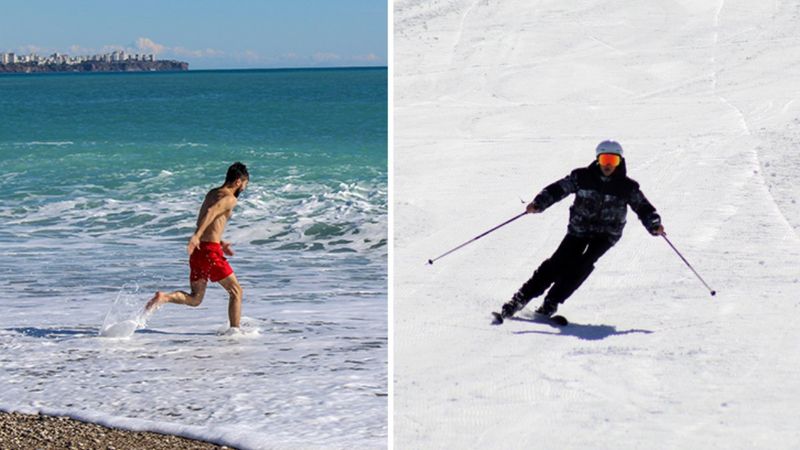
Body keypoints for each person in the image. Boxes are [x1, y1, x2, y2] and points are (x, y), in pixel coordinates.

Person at [498, 140, 664, 320]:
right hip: (579, 229)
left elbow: (643, 207)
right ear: (598, 159)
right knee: (558, 262)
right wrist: (539, 203)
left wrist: (653, 224)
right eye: (605, 159)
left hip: (607, 234)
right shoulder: (582, 177)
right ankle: (521, 298)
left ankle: (552, 302)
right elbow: (559, 189)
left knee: (583, 265)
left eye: (613, 160)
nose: (608, 165)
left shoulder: (627, 186)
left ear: (620, 162)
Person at [146, 162, 250, 329]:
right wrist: (197, 235)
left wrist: (219, 241)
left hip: (199, 250)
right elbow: (211, 212)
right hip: (209, 251)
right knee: (236, 291)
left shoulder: (212, 193)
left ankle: (164, 297)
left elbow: (205, 219)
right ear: (238, 181)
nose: (244, 188)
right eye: (245, 184)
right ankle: (235, 332)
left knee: (196, 299)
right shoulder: (230, 198)